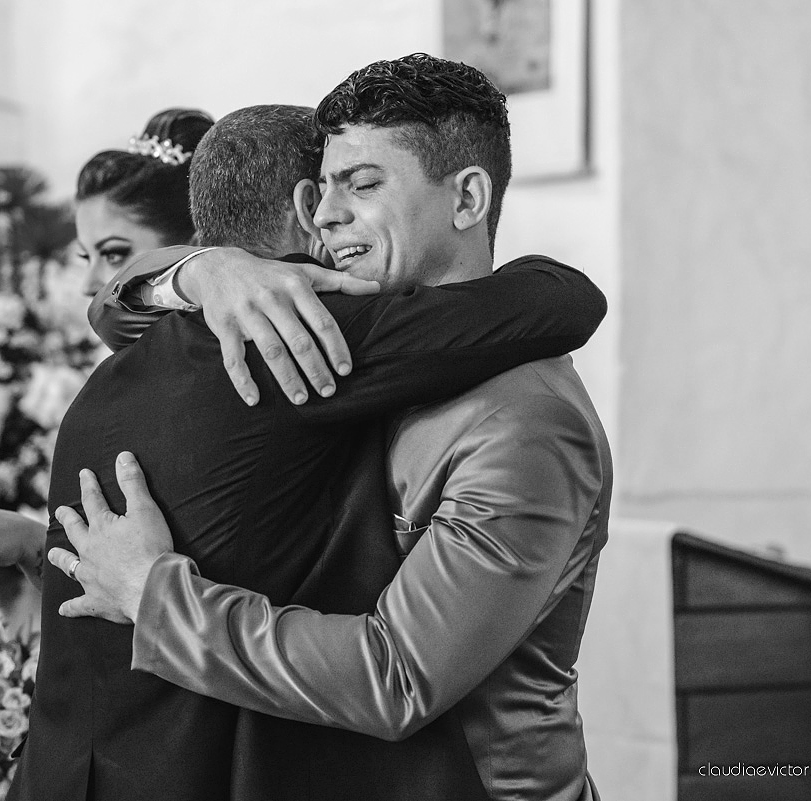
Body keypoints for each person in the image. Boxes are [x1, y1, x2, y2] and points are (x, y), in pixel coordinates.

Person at [54, 54, 612, 801]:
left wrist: (154, 594)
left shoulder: (528, 422)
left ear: (468, 198)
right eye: (324, 189)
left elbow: (396, 676)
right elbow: (113, 313)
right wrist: (198, 271)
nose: (323, 216)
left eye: (365, 184)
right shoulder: (332, 335)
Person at [0, 107, 216, 594]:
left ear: (191, 247)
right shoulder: (135, 376)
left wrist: (32, 543)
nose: (91, 282)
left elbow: (159, 592)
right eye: (86, 257)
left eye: (115, 254)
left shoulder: (208, 382)